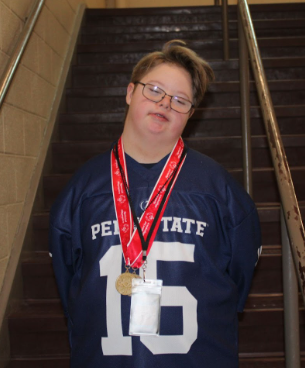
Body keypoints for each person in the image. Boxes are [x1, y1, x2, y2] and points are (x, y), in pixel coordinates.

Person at [49, 40, 261, 368]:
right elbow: (69, 285)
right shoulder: (82, 190)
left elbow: (238, 279)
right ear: (130, 92)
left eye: (180, 100)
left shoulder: (220, 190)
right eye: (155, 90)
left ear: (192, 114)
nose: (165, 103)